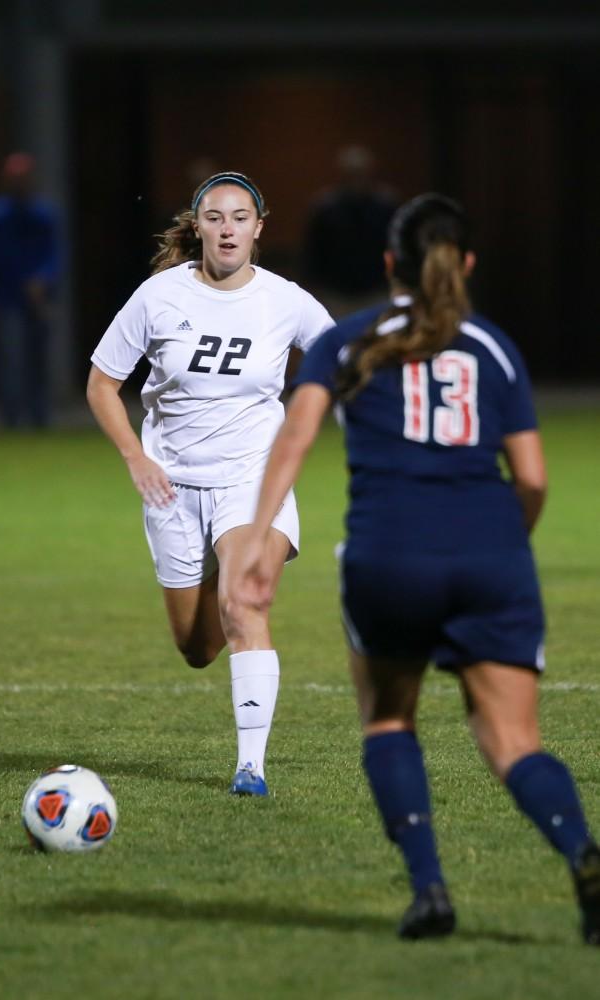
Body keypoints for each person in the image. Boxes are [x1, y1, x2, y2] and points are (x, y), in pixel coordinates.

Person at [233, 193, 600, 941]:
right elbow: (531, 477)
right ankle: (583, 855)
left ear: (389, 264)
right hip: (490, 554)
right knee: (513, 743)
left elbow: (296, 438)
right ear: (465, 263)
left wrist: (255, 545)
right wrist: (502, 543)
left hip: (389, 556)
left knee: (390, 719)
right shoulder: (492, 346)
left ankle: (430, 889)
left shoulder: (351, 339)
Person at [86, 171, 333, 796]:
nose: (228, 229)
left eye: (240, 217)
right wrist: (135, 458)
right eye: (216, 218)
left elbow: (340, 359)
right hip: (172, 487)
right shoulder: (158, 297)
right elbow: (101, 383)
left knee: (245, 604)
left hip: (253, 479)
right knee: (197, 646)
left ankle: (251, 767)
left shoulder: (285, 300)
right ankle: (233, 577)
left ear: (259, 227)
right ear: (198, 227)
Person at [0, 152, 60, 428]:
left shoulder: (44, 212)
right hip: (10, 297)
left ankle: (39, 415)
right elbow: (1, 255)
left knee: (38, 357)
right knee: (12, 357)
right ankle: (11, 417)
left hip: (41, 297)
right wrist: (26, 282)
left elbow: (54, 253)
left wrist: (43, 280)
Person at [301, 145, 397, 318]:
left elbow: (394, 245)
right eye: (352, 173)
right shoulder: (326, 207)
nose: (357, 178)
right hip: (336, 293)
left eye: (361, 172)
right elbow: (314, 250)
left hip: (375, 290)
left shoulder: (385, 205)